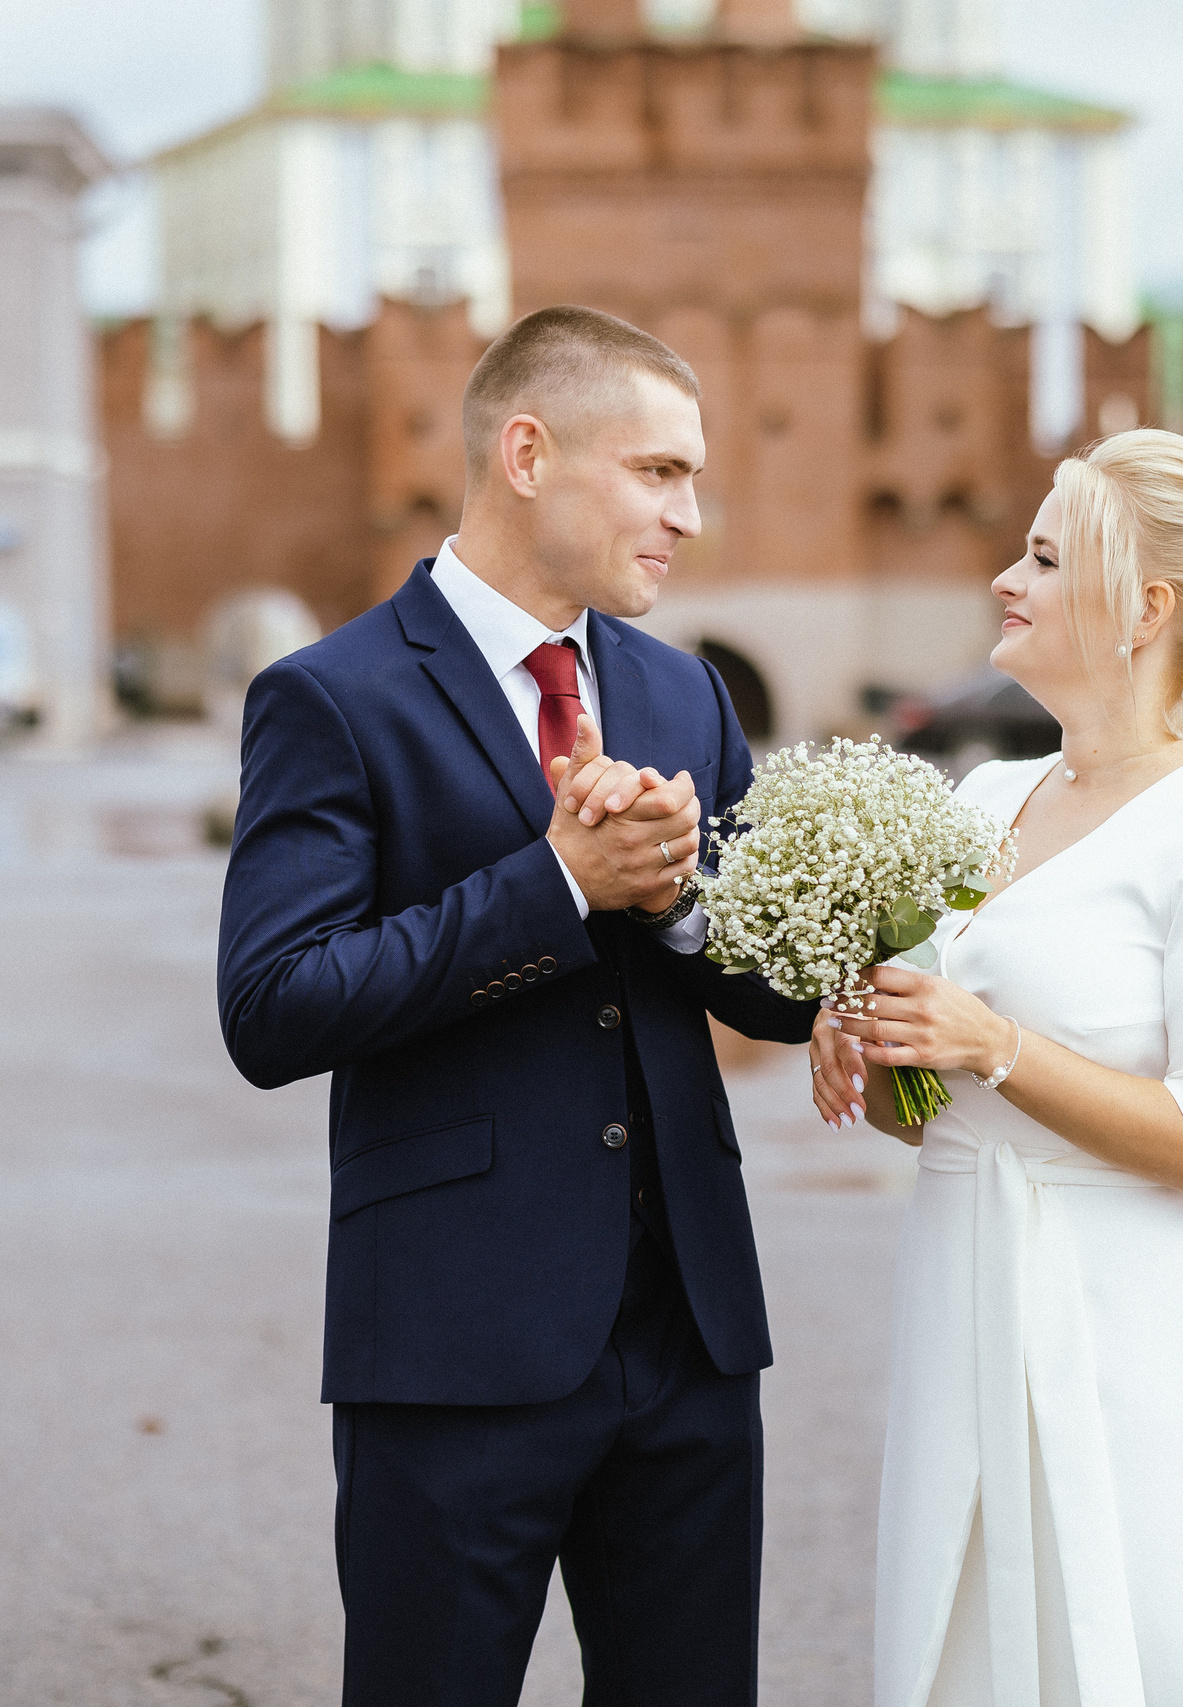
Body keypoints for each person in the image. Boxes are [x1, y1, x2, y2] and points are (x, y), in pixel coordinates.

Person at [216, 305, 821, 1707]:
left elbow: (781, 997)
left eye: (693, 478)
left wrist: (672, 900)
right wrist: (553, 885)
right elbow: (274, 1005)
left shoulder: (686, 693)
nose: (689, 514)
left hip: (689, 1342)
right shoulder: (333, 697)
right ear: (529, 453)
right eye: (658, 472)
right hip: (451, 1347)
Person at [809, 429, 1183, 1707]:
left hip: (1132, 1335)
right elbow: (932, 1111)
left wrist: (995, 1043)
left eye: (1046, 560)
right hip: (962, 1289)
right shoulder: (982, 800)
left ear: (1143, 611)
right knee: (959, 1656)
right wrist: (876, 1043)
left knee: (1134, 1657)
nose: (1007, 578)